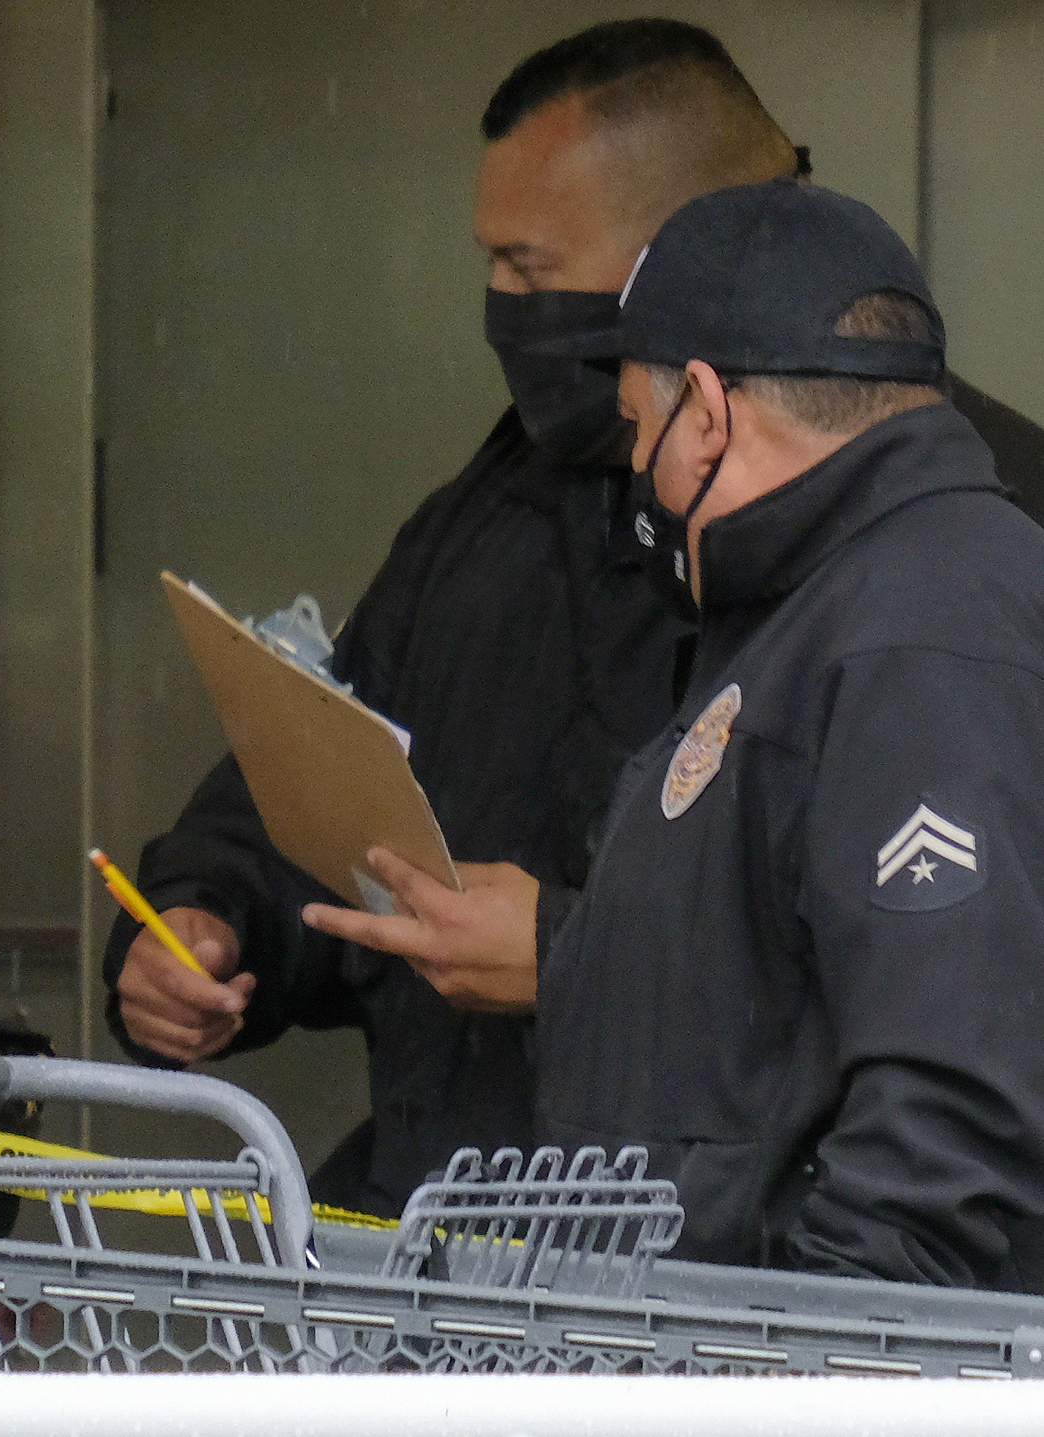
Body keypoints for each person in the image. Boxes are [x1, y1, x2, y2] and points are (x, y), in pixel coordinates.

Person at [102, 20, 804, 1218]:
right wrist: (210, 915)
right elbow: (336, 773)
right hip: (441, 1240)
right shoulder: (493, 508)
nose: (498, 306)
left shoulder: (921, 554)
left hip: (716, 1293)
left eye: (530, 272)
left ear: (678, 259)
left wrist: (568, 963)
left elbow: (912, 972)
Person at [538, 179, 1044, 1289]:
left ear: (707, 413)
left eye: (637, 429)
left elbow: (947, 1112)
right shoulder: (824, 607)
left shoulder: (919, 633)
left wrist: (806, 1389)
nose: (634, 474)